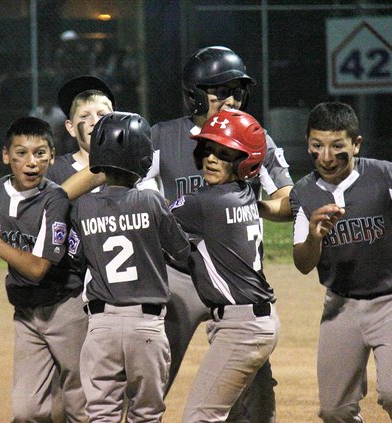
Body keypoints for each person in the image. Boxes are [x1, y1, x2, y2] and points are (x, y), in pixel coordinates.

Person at [139, 45, 293, 422]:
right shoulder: (164, 136)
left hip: (233, 276)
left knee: (253, 390)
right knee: (154, 374)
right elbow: (134, 193)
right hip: (180, 276)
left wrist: (257, 208)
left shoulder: (253, 137)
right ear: (194, 95)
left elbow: (289, 201)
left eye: (238, 91)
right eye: (221, 91)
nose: (232, 99)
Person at [290, 101, 392, 422]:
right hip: (341, 307)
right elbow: (303, 263)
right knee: (335, 411)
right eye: (316, 145)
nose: (325, 157)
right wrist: (314, 237)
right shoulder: (305, 192)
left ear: (356, 144)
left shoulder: (385, 175)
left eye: (337, 146)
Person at [0, 116, 88, 422]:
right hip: (26, 313)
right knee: (27, 411)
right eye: (21, 153)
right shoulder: (0, 191)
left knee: (80, 407)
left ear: (52, 156)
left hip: (65, 310)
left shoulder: (55, 199)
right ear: (6, 156)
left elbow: (37, 269)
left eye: (40, 153)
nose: (31, 163)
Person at [69, 112, 190, 421]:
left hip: (101, 326)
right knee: (146, 414)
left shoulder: (82, 206)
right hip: (145, 326)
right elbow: (180, 251)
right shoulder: (151, 201)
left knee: (101, 414)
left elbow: (75, 257)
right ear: (143, 158)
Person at [170, 108, 289, 421]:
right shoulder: (245, 193)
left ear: (245, 161)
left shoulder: (204, 201)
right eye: (209, 149)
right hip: (257, 319)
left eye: (225, 154)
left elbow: (155, 224)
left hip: (242, 327)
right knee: (245, 417)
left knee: (200, 417)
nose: (211, 158)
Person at [46, 75, 115, 186]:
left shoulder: (130, 170)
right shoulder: (53, 173)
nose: (95, 122)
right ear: (71, 127)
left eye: (102, 115)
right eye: (84, 116)